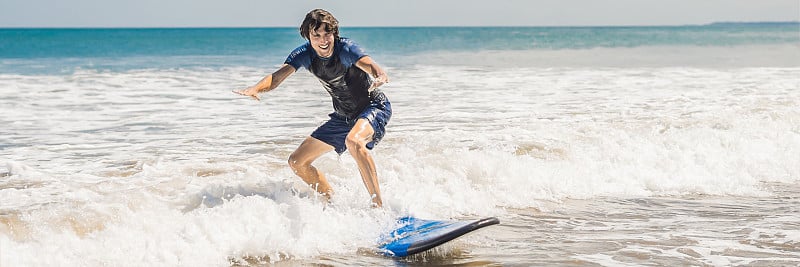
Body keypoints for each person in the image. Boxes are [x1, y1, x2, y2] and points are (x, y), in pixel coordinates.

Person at [234, 9, 391, 207]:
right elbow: (277, 77)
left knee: (354, 141)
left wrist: (379, 75)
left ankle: (378, 208)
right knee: (297, 161)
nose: (323, 40)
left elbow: (369, 64)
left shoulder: (345, 48)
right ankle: (334, 203)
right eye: (316, 35)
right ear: (308, 36)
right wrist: (255, 88)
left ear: (334, 33)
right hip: (343, 117)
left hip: (373, 106)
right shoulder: (304, 55)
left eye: (327, 34)